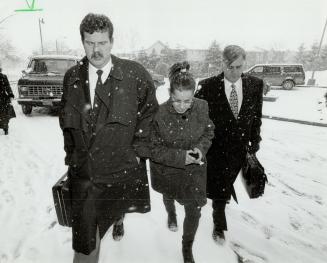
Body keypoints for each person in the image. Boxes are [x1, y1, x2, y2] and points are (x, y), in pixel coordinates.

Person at [59, 13, 158, 262]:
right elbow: (66, 123)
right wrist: (72, 157)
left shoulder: (135, 74)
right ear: (82, 42)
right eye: (90, 43)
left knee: (114, 211)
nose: (96, 50)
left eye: (102, 42)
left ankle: (118, 218)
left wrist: (137, 153)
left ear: (112, 41)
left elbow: (150, 115)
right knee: (85, 246)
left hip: (120, 171)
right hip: (86, 177)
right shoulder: (72, 77)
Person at [195, 45, 263, 244]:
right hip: (216, 149)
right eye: (230, 67)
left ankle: (222, 200)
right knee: (219, 188)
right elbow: (199, 120)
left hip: (240, 148)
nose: (234, 72)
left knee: (226, 184)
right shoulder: (207, 86)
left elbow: (256, 117)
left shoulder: (255, 85)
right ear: (222, 64)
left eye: (239, 67)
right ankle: (219, 223)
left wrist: (254, 142)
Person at [150, 62, 215, 263]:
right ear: (170, 93)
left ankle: (187, 247)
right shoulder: (158, 113)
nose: (182, 106)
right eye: (177, 100)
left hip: (194, 172)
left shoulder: (202, 106)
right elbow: (153, 149)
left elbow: (208, 131)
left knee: (194, 212)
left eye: (187, 101)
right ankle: (171, 215)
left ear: (194, 95)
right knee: (169, 195)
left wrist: (200, 149)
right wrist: (180, 157)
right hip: (168, 170)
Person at [0, 64, 15, 135]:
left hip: (2, 98)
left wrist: (10, 94)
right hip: (2, 98)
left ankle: (5, 128)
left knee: (4, 114)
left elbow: (7, 86)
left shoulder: (3, 77)